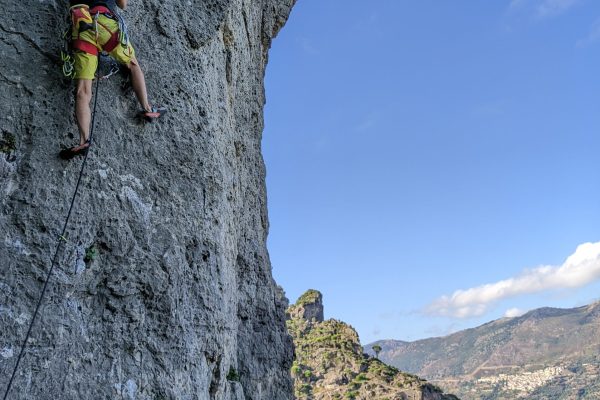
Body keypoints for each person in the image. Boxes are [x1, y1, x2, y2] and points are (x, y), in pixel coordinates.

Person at [61, 0, 165, 159]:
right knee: (132, 64)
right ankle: (147, 109)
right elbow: (123, 4)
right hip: (104, 24)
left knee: (83, 91)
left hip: (82, 30)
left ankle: (83, 140)